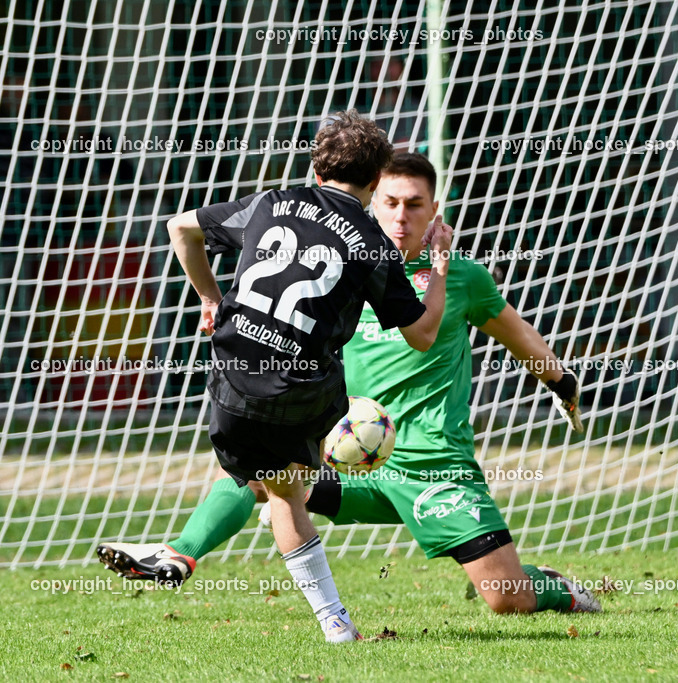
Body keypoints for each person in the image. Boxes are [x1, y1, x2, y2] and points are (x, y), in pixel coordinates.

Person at [98, 152, 598, 617]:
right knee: (260, 474)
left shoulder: (463, 278)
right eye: (391, 202)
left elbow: (520, 337)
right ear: (372, 200)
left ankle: (558, 587)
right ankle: (177, 556)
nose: (401, 216)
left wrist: (561, 381)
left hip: (432, 466)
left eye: (414, 205)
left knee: (506, 599)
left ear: (435, 210)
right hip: (349, 455)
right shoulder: (344, 264)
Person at [98, 112, 454, 643]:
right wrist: (441, 265)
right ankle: (331, 623)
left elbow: (179, 229)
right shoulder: (372, 243)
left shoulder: (269, 202)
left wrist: (209, 298)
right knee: (283, 490)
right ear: (377, 178)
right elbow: (422, 335)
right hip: (306, 394)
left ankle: (181, 554)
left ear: (315, 163)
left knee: (266, 483)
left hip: (233, 379)